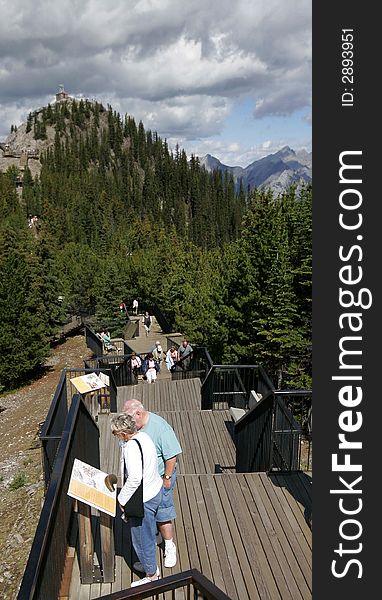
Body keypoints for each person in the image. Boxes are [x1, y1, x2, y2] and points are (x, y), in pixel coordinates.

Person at [123, 399, 182, 569]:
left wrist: (167, 478)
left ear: (139, 414)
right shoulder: (139, 426)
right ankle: (156, 536)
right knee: (150, 512)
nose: (129, 425)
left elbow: (171, 456)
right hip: (146, 481)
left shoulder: (160, 428)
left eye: (130, 420)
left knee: (163, 513)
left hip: (162, 477)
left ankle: (169, 546)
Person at [110, 413, 162, 587]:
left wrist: (122, 499)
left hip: (143, 499)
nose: (116, 437)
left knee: (141, 538)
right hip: (155, 490)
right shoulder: (144, 436)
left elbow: (134, 479)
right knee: (149, 532)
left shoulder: (131, 447)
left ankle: (151, 574)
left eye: (116, 434)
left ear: (124, 433)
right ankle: (149, 564)